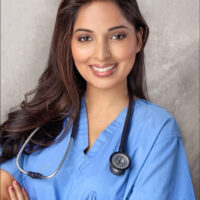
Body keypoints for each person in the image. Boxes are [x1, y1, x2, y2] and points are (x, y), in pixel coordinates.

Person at [0, 0, 196, 199]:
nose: (102, 55)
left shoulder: (158, 132)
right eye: (85, 38)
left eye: (117, 36)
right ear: (68, 44)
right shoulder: (41, 121)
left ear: (138, 39)